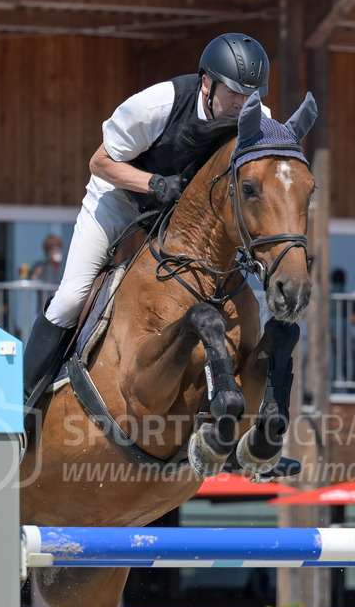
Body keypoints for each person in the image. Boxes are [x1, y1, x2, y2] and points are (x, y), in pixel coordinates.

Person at [22, 32, 271, 410]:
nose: (242, 104)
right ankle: (19, 408)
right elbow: (100, 163)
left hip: (185, 219)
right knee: (71, 298)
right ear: (207, 82)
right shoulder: (158, 105)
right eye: (234, 93)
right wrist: (153, 183)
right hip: (120, 197)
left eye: (250, 95)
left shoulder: (257, 118)